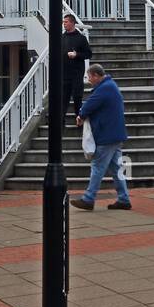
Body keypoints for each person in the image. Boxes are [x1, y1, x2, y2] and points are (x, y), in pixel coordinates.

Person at [71, 64, 130, 211]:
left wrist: (81, 115)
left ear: (96, 75)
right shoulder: (110, 85)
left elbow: (89, 105)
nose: (89, 80)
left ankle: (88, 198)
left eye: (89, 77)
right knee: (117, 169)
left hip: (107, 135)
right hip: (115, 135)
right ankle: (124, 199)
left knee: (97, 167)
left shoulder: (104, 88)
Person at [59, 14, 92, 127]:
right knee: (63, 98)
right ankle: (61, 122)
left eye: (66, 22)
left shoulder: (81, 38)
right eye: (63, 22)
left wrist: (76, 54)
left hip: (77, 73)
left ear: (72, 23)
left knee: (77, 97)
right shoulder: (61, 38)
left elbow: (88, 54)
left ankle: (79, 120)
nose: (64, 23)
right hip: (63, 73)